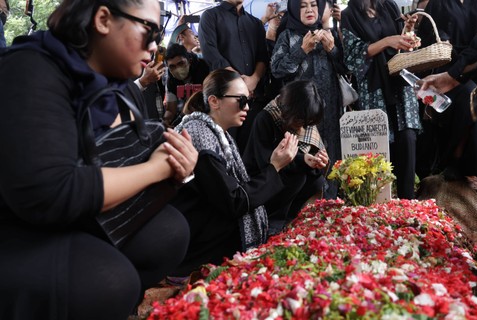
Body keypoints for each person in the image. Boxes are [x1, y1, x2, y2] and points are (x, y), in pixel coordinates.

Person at [0, 1, 198, 319]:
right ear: (103, 19)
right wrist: (154, 169)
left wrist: (177, 168)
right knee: (107, 281)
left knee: (169, 232)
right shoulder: (31, 71)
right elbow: (52, 192)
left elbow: (134, 161)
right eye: (149, 31)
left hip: (70, 215)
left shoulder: (121, 89)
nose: (156, 47)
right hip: (17, 226)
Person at [169, 69, 299, 277]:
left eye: (248, 100)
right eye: (240, 100)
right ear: (214, 101)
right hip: (195, 238)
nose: (247, 107)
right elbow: (233, 201)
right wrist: (275, 166)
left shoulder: (215, 133)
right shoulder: (200, 136)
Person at [341, 0, 421, 200]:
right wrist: (387, 41)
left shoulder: (389, 6)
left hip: (400, 80)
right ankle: (382, 202)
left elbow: (400, 44)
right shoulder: (349, 14)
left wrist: (408, 30)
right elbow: (352, 56)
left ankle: (408, 201)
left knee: (408, 138)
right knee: (381, 143)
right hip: (374, 86)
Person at [270, 0, 345, 199]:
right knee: (305, 155)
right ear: (295, 9)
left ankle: (331, 202)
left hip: (330, 108)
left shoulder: (329, 34)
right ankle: (306, 207)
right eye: (303, 6)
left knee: (331, 153)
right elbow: (277, 70)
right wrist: (301, 50)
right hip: (300, 112)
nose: (310, 9)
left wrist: (332, 49)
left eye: (313, 4)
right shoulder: (287, 36)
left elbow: (347, 69)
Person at [243, 80, 329, 234]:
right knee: (297, 178)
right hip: (264, 177)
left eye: (308, 123)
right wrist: (303, 159)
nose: (303, 128)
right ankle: (276, 225)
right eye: (301, 121)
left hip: (291, 173)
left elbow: (310, 154)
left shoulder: (305, 117)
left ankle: (299, 220)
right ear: (289, 111)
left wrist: (318, 160)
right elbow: (267, 162)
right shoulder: (265, 118)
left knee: (317, 181)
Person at [415, 0, 477, 186]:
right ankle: (458, 163)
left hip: (471, 68)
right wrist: (442, 39)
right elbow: (426, 37)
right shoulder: (437, 3)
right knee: (469, 98)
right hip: (446, 67)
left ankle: (467, 165)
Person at [198, 0, 269, 154]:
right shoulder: (210, 16)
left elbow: (263, 57)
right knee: (225, 149)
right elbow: (211, 54)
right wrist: (240, 84)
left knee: (251, 152)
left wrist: (254, 79)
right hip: (226, 100)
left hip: (253, 99)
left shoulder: (255, 23)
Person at [163, 43, 210, 127]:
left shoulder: (204, 69)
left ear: (189, 60)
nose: (177, 69)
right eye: (172, 67)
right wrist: (166, 120)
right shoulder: (171, 80)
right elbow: (170, 110)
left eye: (181, 63)